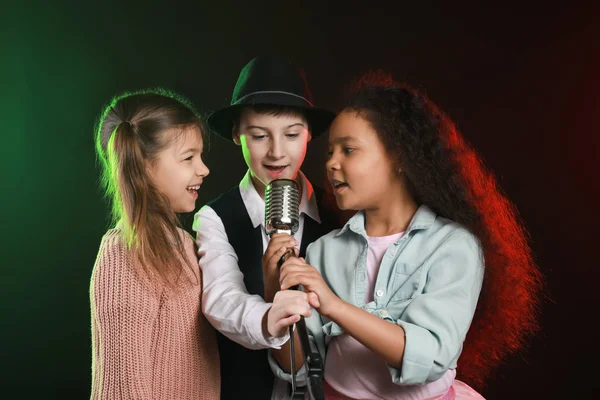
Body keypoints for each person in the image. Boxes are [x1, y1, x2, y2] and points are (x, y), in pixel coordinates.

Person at [271, 72, 543, 399]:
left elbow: (428, 356)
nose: (331, 163)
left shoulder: (453, 246)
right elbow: (296, 366)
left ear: (399, 158)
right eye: (330, 151)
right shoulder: (322, 252)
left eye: (348, 150)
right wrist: (277, 296)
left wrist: (335, 307)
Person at [193, 56, 340, 400]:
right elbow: (222, 300)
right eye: (259, 136)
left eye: (291, 135)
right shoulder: (215, 218)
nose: (277, 152)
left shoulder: (338, 215)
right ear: (236, 133)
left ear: (309, 134)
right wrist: (272, 314)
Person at [90, 89, 219, 399]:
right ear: (145, 166)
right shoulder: (123, 253)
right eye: (188, 157)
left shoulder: (185, 243)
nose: (204, 169)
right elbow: (120, 391)